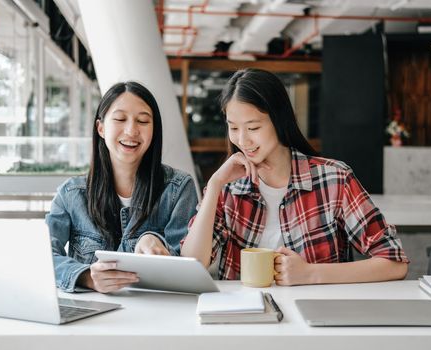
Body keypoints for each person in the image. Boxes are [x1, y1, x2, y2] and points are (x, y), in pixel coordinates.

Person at [181, 69, 408, 285]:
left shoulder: (334, 179)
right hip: (244, 320)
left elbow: (394, 263)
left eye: (253, 128)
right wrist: (214, 185)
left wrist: (311, 274)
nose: (242, 140)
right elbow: (193, 263)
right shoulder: (228, 188)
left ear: (279, 120)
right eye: (233, 128)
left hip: (315, 316)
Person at [46, 81, 198, 293]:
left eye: (143, 121)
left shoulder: (179, 189)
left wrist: (153, 240)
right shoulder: (71, 194)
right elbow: (42, 255)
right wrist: (86, 277)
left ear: (154, 130)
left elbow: (189, 265)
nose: (131, 130)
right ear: (101, 127)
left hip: (157, 316)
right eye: (119, 119)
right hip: (90, 318)